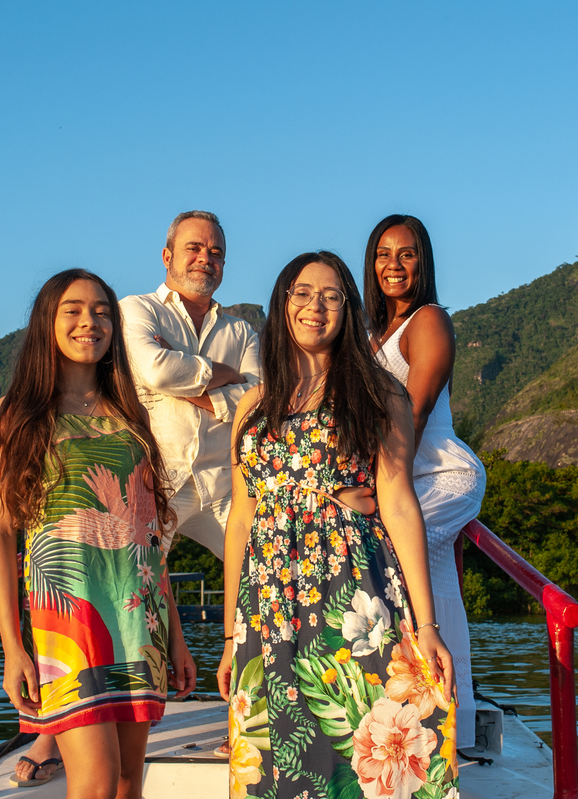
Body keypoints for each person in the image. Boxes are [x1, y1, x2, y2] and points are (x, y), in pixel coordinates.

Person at [218, 252, 460, 799]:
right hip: (271, 602)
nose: (315, 306)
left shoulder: (377, 394)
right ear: (283, 304)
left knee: (361, 737)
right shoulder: (253, 408)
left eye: (331, 296)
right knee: (284, 747)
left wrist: (427, 627)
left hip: (352, 596)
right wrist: (232, 635)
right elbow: (241, 519)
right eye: (302, 293)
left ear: (348, 310)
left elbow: (397, 503)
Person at [0, 269, 196, 798]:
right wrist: (13, 648)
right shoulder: (14, 417)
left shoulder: (129, 417)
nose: (90, 321)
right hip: (68, 621)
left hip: (137, 620)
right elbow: (1, 535)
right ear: (46, 323)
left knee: (128, 784)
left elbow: (148, 537)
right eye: (73, 310)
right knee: (95, 784)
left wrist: (178, 638)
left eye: (102, 310)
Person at [365, 214, 486, 750]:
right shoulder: (370, 338)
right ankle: (454, 723)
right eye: (384, 254)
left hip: (439, 475)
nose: (395, 265)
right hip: (399, 478)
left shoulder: (429, 320)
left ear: (423, 262)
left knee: (387, 549)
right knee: (433, 586)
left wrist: (375, 488)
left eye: (407, 254)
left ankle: (437, 716)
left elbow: (413, 415)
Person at [118, 211, 262, 559]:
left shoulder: (240, 331)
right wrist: (226, 374)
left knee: (261, 568)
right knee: (140, 584)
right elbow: (157, 372)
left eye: (215, 252)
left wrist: (183, 380)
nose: (205, 259)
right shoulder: (137, 310)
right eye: (194, 248)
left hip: (224, 483)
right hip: (154, 479)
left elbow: (260, 399)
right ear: (167, 256)